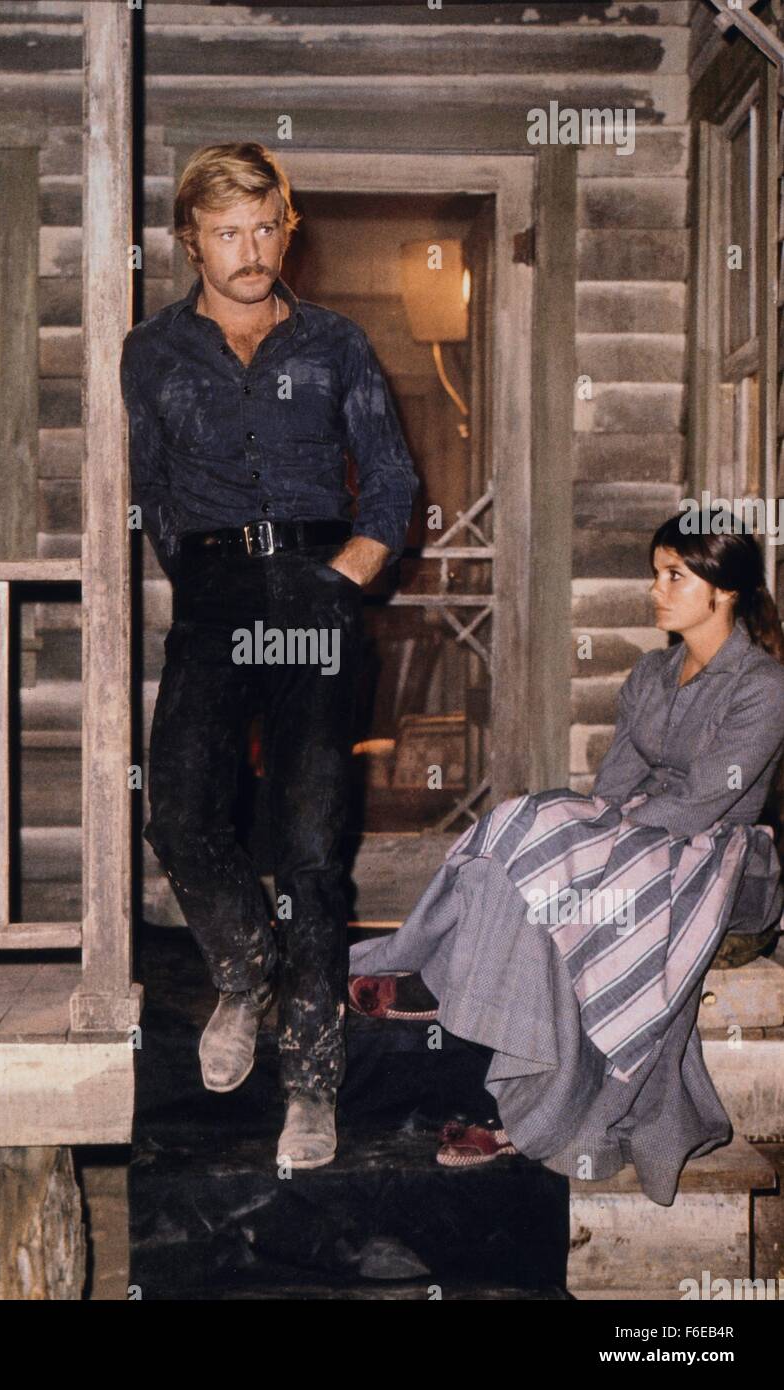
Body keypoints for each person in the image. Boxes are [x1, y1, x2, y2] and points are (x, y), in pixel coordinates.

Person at [121, 142, 419, 1168]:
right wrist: (200, 579)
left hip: (315, 593)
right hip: (213, 597)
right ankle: (243, 968)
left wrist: (342, 578)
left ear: (287, 227)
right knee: (180, 813)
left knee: (309, 844)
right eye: (226, 232)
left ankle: (311, 1083)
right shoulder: (151, 351)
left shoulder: (336, 343)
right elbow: (152, 489)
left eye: (265, 228)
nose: (249, 252)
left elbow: (390, 478)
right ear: (190, 239)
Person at [349, 514, 784, 1206]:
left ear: (724, 591)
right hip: (643, 835)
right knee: (531, 827)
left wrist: (603, 836)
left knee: (575, 866)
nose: (655, 590)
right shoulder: (652, 672)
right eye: (654, 573)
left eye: (675, 575)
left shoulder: (761, 684)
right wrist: (593, 830)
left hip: (726, 855)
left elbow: (707, 803)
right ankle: (437, 969)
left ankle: (514, 1072)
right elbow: (615, 781)